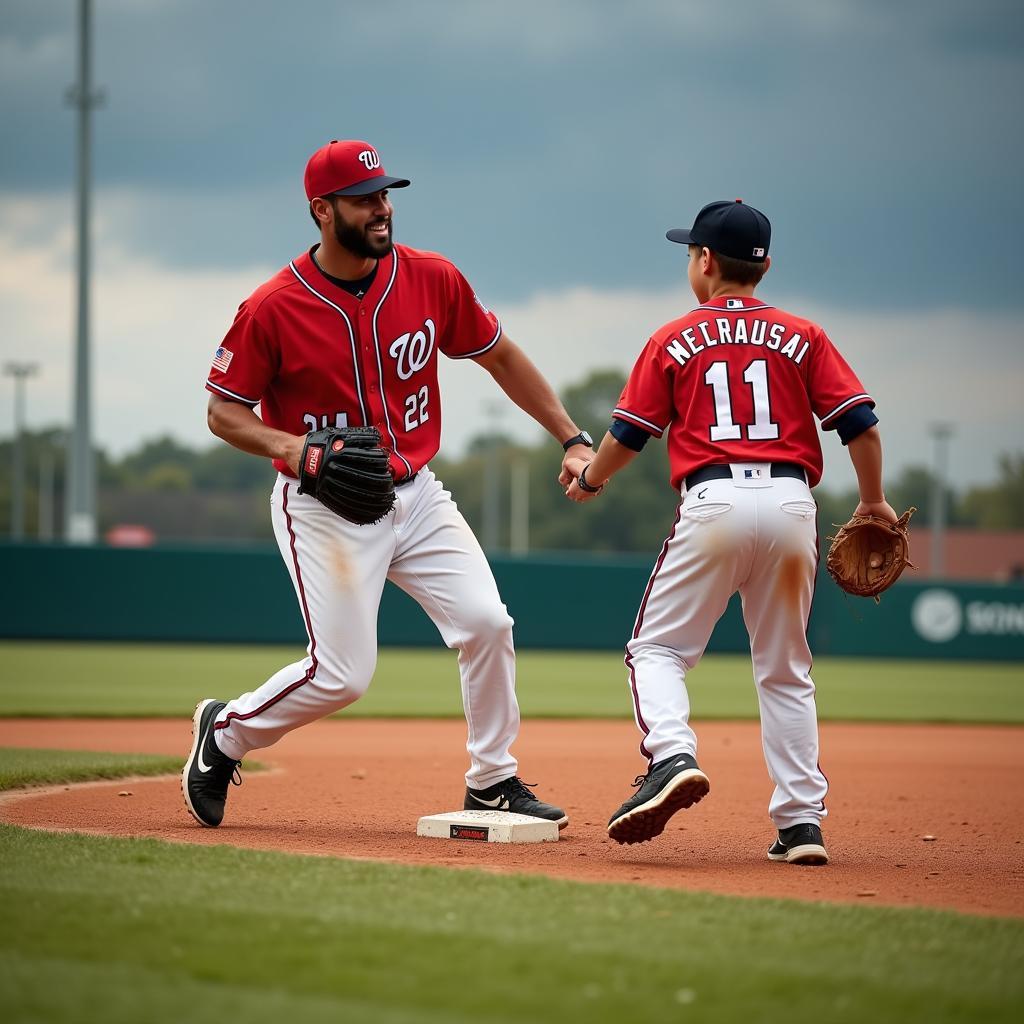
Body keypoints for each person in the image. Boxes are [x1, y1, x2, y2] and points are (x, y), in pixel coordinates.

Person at [183, 139, 594, 830]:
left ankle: (492, 779)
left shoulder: (431, 277)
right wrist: (293, 449)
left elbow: (501, 356)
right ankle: (225, 733)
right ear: (322, 210)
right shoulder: (272, 306)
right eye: (363, 198)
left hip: (416, 491)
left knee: (489, 623)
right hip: (323, 505)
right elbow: (223, 412)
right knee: (343, 675)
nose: (381, 208)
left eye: (384, 194)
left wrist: (572, 436)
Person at [566, 199, 897, 865]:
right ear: (765, 265)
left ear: (705, 261)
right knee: (786, 670)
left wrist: (591, 479)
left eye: (691, 252)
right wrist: (873, 502)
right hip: (791, 502)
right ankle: (802, 826)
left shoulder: (673, 337)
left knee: (655, 651)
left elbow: (629, 434)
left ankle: (671, 755)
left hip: (713, 499)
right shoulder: (805, 334)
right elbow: (858, 422)